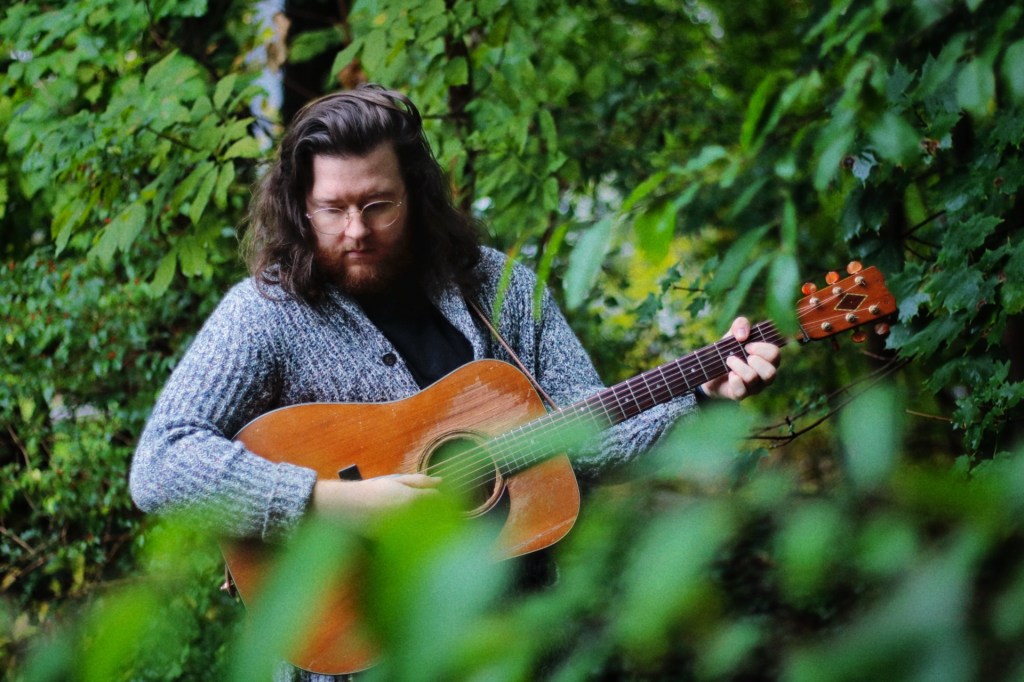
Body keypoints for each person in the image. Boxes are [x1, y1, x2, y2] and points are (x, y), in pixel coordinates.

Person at [129, 83, 780, 681]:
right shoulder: (267, 313)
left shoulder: (499, 289)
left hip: (520, 638)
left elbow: (589, 441)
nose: (356, 230)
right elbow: (160, 463)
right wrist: (333, 501)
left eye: (377, 204)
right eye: (332, 209)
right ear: (300, 207)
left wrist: (699, 392)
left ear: (415, 192)